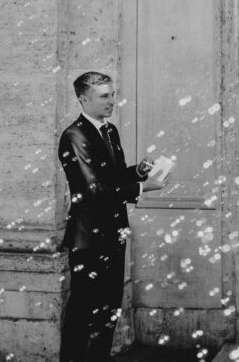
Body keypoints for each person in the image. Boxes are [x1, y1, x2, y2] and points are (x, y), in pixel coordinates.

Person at [59, 72, 169, 362]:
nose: (112, 101)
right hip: (88, 238)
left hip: (114, 232)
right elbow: (92, 190)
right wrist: (143, 187)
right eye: (104, 96)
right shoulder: (74, 136)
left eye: (112, 94)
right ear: (83, 99)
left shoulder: (110, 131)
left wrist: (137, 171)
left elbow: (113, 176)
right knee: (84, 311)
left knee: (109, 309)